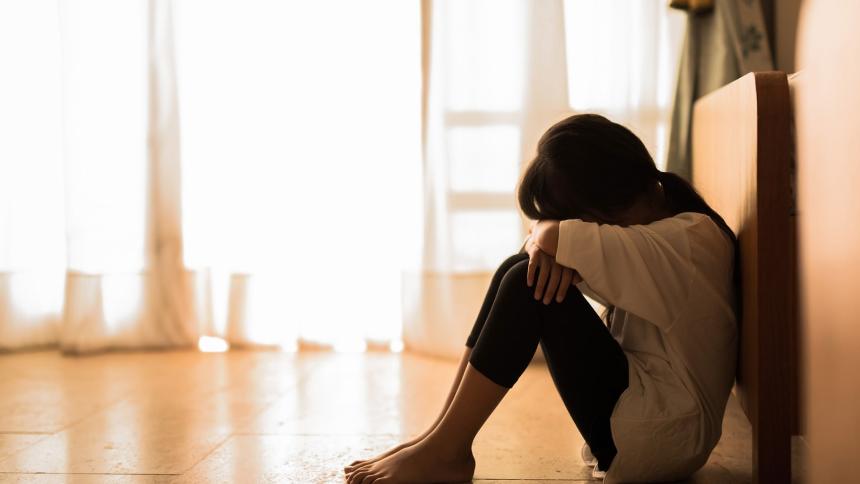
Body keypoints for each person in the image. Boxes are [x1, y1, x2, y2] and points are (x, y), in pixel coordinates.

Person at [343, 114, 738, 484]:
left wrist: (548, 237)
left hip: (662, 434)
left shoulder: (684, 241)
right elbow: (541, 237)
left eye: (579, 219)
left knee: (525, 282)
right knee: (515, 268)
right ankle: (441, 436)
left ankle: (447, 449)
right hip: (650, 412)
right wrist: (544, 240)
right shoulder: (666, 226)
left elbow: (548, 236)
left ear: (608, 206)